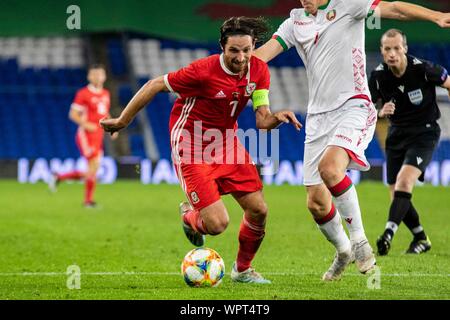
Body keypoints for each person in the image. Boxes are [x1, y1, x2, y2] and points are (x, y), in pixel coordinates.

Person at [254, 0, 450, 281]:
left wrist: (436, 16)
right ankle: (344, 250)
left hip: (354, 106)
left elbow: (395, 9)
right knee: (316, 203)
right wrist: (219, 69)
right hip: (317, 117)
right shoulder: (295, 22)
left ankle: (359, 242)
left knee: (331, 168)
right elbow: (259, 58)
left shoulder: (351, 5)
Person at [100, 17, 302, 284]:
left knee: (259, 210)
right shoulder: (203, 72)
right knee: (217, 225)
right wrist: (123, 121)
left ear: (254, 46)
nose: (240, 57)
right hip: (191, 146)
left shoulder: (259, 70)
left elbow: (262, 121)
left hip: (226, 142)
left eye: (246, 50)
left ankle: (242, 271)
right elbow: (154, 84)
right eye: (233, 51)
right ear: (222, 47)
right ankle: (190, 215)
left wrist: (277, 117)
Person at [369, 29, 450, 256]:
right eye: (387, 49)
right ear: (382, 52)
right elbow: (365, 109)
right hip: (396, 134)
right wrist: (379, 112)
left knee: (405, 183)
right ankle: (421, 238)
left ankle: (388, 233)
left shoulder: (423, 69)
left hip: (424, 133)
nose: (392, 53)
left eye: (397, 48)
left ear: (405, 48)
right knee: (397, 194)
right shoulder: (378, 76)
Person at [48, 64, 117, 208]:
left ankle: (59, 177)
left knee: (93, 170)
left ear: (104, 76)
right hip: (86, 135)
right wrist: (86, 125)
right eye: (94, 74)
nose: (97, 77)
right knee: (93, 167)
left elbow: (105, 114)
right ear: (89, 76)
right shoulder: (83, 93)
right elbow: (72, 114)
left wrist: (114, 127)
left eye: (100, 74)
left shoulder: (105, 93)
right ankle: (88, 201)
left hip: (98, 136)